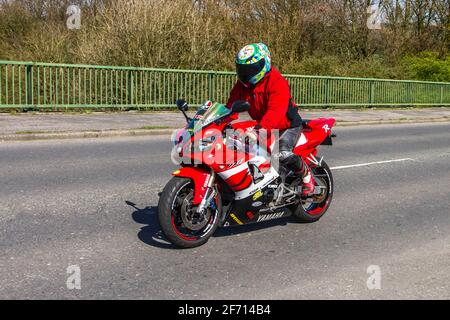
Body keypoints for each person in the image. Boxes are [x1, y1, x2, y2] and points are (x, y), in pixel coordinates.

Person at [226, 43, 315, 196]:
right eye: (243, 70)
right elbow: (230, 107)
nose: (247, 74)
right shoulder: (242, 86)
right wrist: (218, 121)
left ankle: (306, 175)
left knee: (282, 153)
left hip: (286, 125)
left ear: (265, 62)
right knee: (236, 148)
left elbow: (276, 112)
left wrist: (259, 131)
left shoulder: (277, 81)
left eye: (252, 69)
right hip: (263, 125)